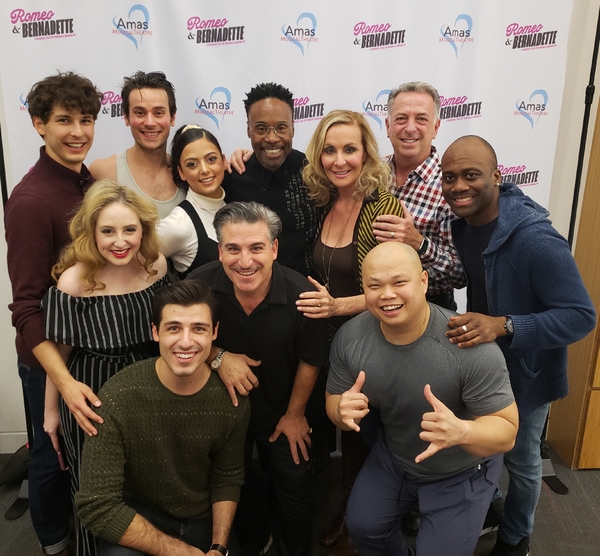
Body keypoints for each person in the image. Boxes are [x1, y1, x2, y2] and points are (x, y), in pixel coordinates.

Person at [440, 135, 596, 556]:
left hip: (527, 374)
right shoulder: (463, 225)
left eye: (470, 175)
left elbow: (581, 316)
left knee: (522, 461)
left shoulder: (534, 239)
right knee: (482, 449)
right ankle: (491, 510)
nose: (458, 186)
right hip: (485, 365)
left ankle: (516, 537)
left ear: (497, 176)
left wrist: (504, 325)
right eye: (449, 177)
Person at [327, 242, 519, 556]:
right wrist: (339, 410)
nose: (387, 294)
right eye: (375, 286)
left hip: (462, 468)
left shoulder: (467, 346)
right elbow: (333, 398)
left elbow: (507, 431)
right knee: (363, 527)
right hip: (395, 456)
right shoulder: (351, 338)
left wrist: (463, 432)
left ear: (424, 281)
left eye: (399, 282)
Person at [189, 202, 329, 556]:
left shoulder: (302, 296)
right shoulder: (198, 287)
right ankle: (255, 543)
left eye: (256, 248)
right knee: (237, 483)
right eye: (233, 249)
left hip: (280, 409)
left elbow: (311, 360)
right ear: (220, 250)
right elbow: (175, 341)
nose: (245, 261)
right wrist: (218, 357)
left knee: (295, 481)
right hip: (220, 411)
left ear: (274, 249)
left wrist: (295, 415)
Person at [294, 109, 403, 555]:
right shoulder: (321, 202)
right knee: (340, 432)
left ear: (366, 154)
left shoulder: (382, 207)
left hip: (368, 341)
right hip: (326, 343)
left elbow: (390, 291)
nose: (339, 160)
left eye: (349, 149)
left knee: (362, 435)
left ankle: (362, 521)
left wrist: (338, 306)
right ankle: (347, 505)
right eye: (330, 150)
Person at [76, 280, 250, 556]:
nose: (185, 341)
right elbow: (96, 504)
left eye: (198, 329)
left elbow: (227, 476)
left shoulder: (230, 399)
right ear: (155, 332)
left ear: (214, 332)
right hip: (140, 518)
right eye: (173, 328)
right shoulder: (118, 396)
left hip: (202, 519)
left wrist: (218, 546)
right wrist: (180, 552)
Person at [4, 71, 102, 556]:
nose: (78, 131)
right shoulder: (30, 200)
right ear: (39, 124)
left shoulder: (87, 183)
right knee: (51, 452)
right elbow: (25, 306)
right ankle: (52, 543)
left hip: (83, 347)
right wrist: (59, 379)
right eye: (64, 120)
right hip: (47, 358)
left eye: (86, 119)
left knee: (77, 451)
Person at [43, 180, 169, 556]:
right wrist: (51, 412)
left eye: (130, 229)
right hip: (90, 392)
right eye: (108, 231)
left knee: (145, 477)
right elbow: (58, 352)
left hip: (147, 385)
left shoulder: (156, 266)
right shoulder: (74, 281)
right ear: (91, 232)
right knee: (94, 487)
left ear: (143, 230)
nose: (120, 241)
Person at [372, 81, 465, 311]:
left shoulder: (452, 187)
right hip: (371, 305)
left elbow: (462, 275)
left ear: (436, 127)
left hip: (428, 312)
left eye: (421, 119)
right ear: (387, 125)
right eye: (401, 118)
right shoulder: (372, 175)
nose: (410, 128)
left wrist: (418, 243)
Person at [223, 82, 320, 276]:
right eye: (261, 128)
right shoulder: (232, 177)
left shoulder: (315, 173)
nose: (272, 138)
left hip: (309, 296)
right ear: (248, 130)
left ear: (292, 129)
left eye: (281, 128)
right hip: (249, 293)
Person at [89, 71, 185, 218]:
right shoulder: (104, 172)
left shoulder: (187, 172)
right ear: (126, 117)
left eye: (158, 113)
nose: (150, 122)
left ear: (172, 117)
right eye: (140, 113)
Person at [158, 124, 226, 277]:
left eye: (211, 159)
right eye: (192, 164)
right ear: (181, 172)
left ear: (223, 160)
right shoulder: (179, 224)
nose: (204, 169)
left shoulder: (236, 206)